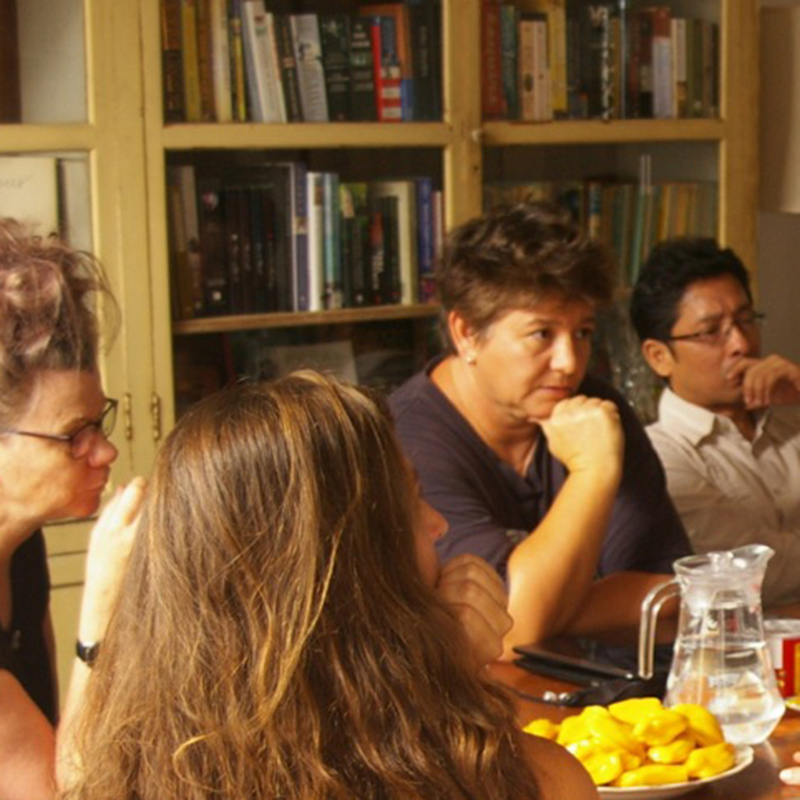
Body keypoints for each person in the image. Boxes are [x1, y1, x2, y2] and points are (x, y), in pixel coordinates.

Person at [63, 372, 597, 799]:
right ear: (356, 566)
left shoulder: (141, 772)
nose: (438, 525)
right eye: (409, 501)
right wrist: (450, 683)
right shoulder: (534, 780)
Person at [389, 202, 690, 657]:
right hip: (476, 711)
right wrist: (593, 472)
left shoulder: (597, 409)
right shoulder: (405, 442)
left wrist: (544, 601)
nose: (569, 363)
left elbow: (675, 601)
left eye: (583, 332)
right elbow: (514, 634)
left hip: (615, 703)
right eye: (540, 335)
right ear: (467, 333)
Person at [0, 218, 144, 799]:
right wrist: (101, 612)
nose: (105, 450)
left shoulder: (21, 542)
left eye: (99, 422)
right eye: (73, 434)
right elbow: (67, 794)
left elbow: (59, 735)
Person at [630, 237, 800, 607]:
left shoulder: (792, 424)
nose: (741, 343)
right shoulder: (657, 456)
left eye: (745, 320)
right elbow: (752, 576)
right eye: (711, 332)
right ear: (659, 356)